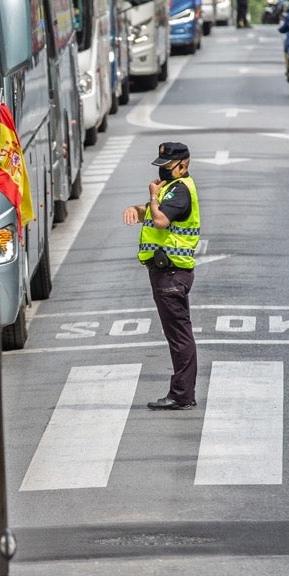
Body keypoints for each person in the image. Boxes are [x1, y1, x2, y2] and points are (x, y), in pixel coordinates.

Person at [122, 141, 200, 410]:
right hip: (167, 272)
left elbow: (161, 220)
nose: (163, 171)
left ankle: (182, 395)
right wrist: (137, 208)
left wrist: (153, 197)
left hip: (172, 273)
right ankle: (182, 393)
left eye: (168, 166)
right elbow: (152, 212)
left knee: (179, 337)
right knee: (178, 334)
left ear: (183, 165)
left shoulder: (179, 190)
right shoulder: (172, 188)